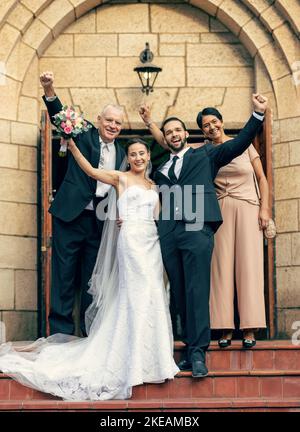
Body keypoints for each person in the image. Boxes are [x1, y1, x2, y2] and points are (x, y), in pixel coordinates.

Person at [0, 138, 179, 400]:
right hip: (130, 241)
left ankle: (154, 360)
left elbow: (156, 218)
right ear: (127, 158)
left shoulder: (153, 185)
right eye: (133, 154)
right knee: (134, 294)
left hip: (151, 242)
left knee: (152, 294)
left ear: (149, 155)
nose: (138, 158)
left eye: (142, 153)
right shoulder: (120, 178)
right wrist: (72, 148)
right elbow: (92, 172)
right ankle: (132, 359)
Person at [139, 94, 268, 378]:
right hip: (170, 234)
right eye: (168, 131)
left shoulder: (205, 154)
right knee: (181, 294)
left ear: (186, 134)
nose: (173, 134)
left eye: (177, 130)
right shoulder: (160, 170)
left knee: (197, 290)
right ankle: (188, 349)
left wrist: (257, 114)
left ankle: (198, 354)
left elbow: (239, 143)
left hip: (198, 229)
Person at [40, 71, 126, 336]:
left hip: (99, 222)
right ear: (98, 120)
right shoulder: (84, 131)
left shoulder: (123, 154)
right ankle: (60, 335)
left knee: (93, 279)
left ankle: (92, 335)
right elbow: (59, 115)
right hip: (71, 217)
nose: (113, 125)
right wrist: (49, 88)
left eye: (118, 123)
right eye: (109, 120)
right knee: (63, 276)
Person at [196, 108, 269, 349]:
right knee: (221, 268)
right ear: (203, 131)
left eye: (214, 121)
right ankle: (224, 327)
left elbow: (262, 179)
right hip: (220, 212)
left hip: (248, 207)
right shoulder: (205, 152)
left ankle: (250, 327)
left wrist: (265, 209)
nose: (211, 127)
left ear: (222, 121)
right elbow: (170, 143)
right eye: (205, 125)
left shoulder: (243, 144)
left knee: (249, 266)